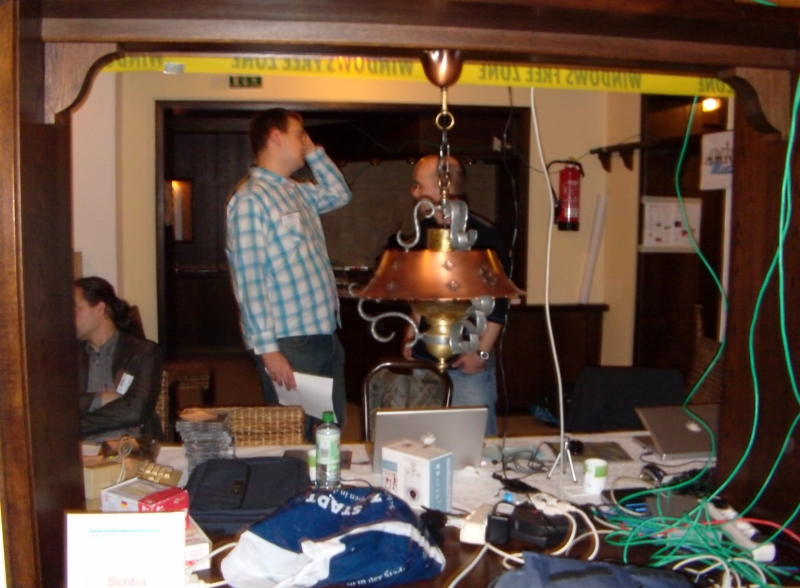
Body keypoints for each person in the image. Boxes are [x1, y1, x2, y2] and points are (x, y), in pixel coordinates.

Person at [226, 108, 352, 431]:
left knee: (329, 431)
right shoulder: (250, 200)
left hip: (324, 334)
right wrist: (268, 351)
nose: (306, 140)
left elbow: (340, 194)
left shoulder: (297, 191)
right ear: (275, 136)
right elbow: (250, 281)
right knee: (298, 436)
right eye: (300, 134)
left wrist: (315, 153)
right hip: (290, 342)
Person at [393, 155, 511, 436]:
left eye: (419, 185)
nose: (414, 192)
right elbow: (422, 290)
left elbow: (499, 303)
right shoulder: (424, 231)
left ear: (443, 187)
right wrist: (411, 332)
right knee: (425, 439)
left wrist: (481, 353)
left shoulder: (484, 236)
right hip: (426, 356)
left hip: (467, 359)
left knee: (473, 440)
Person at [75, 277, 165, 441]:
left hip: (132, 447)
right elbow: (56, 406)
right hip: (79, 450)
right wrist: (99, 399)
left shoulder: (143, 353)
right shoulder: (66, 356)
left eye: (75, 310)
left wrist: (73, 426)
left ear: (100, 309)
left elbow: (134, 411)